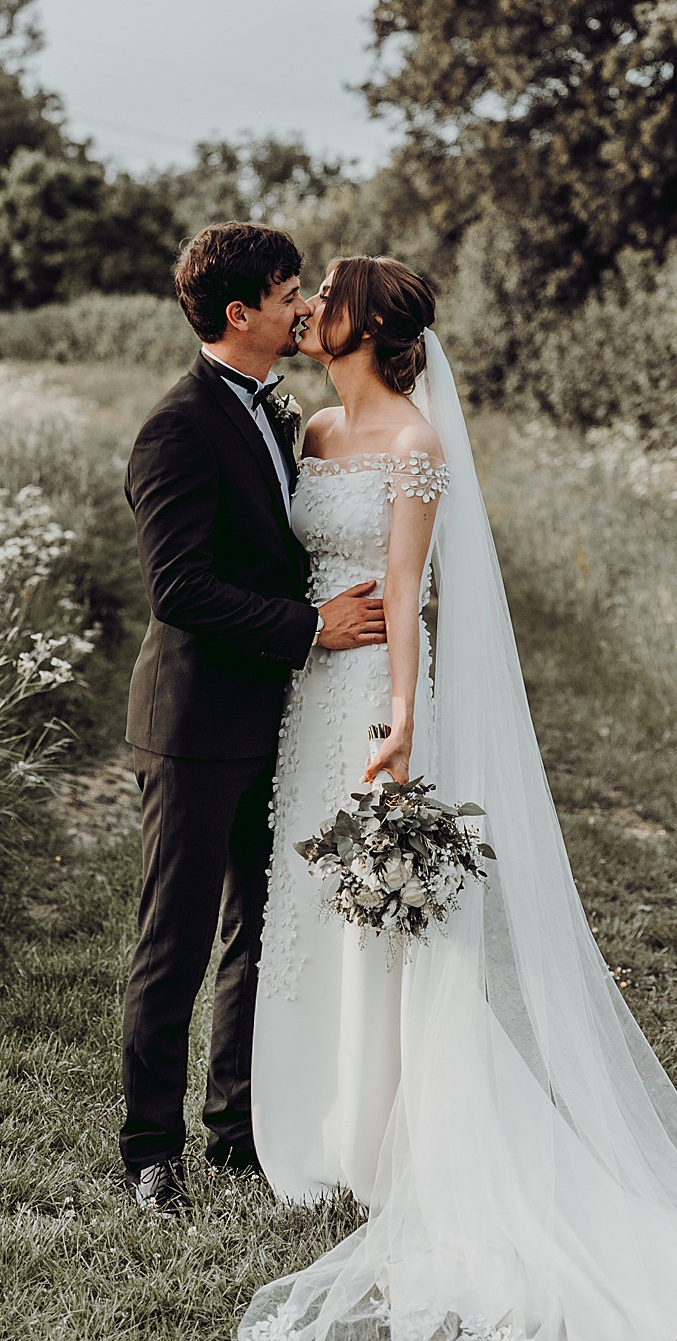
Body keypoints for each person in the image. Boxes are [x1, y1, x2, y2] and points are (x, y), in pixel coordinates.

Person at [240, 255, 677, 1341]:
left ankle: (383, 1133)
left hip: (373, 692)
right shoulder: (312, 437)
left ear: (367, 325)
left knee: (391, 914)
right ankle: (308, 1127)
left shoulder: (416, 448)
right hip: (307, 689)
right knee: (309, 901)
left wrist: (406, 719)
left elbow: (414, 597)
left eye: (327, 298)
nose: (310, 310)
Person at [118, 221, 387, 1214]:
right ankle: (152, 1152)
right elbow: (179, 589)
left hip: (275, 717)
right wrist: (311, 624)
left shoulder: (277, 412)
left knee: (261, 932)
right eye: (287, 290)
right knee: (173, 941)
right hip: (192, 725)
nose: (302, 304)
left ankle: (235, 1128)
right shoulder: (178, 424)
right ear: (242, 311)